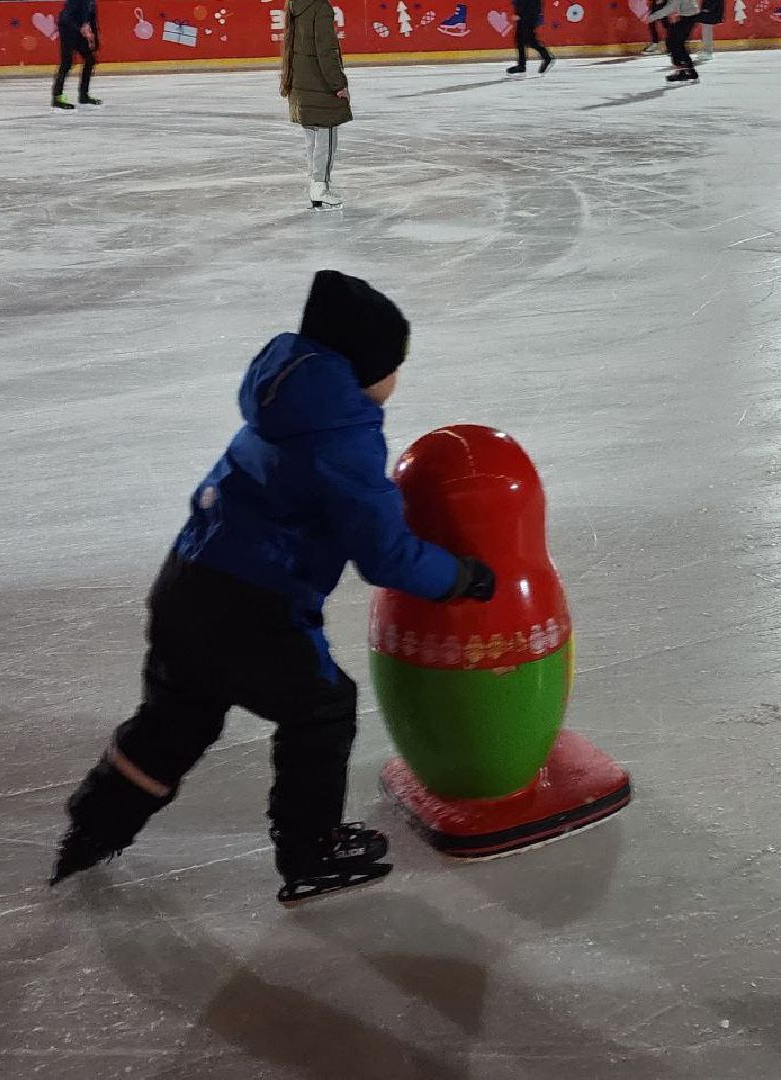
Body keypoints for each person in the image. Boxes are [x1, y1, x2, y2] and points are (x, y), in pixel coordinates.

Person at [49, 270, 497, 906]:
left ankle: (94, 826)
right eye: (394, 365)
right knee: (322, 708)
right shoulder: (342, 437)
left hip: (187, 584)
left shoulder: (284, 403)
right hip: (252, 609)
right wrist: (461, 578)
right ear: (367, 367)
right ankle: (310, 851)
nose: (397, 377)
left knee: (176, 720)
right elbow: (385, 554)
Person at [281, 0, 350, 211]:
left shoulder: (294, 4)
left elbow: (290, 48)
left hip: (302, 84)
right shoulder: (320, 7)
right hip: (321, 85)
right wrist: (338, 84)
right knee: (326, 137)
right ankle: (320, 186)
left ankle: (315, 185)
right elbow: (326, 50)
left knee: (312, 138)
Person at [52, 0, 101, 109]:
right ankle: (57, 98)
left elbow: (92, 19)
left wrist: (95, 40)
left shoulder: (91, 2)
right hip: (68, 30)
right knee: (67, 63)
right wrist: (79, 29)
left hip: (79, 30)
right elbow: (66, 18)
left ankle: (83, 95)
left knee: (90, 59)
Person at [648, 0, 700, 83]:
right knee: (675, 43)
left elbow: (669, 9)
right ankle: (687, 71)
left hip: (688, 18)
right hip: (688, 17)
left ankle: (684, 72)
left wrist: (650, 18)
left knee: (674, 44)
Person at [507, 0, 553, 77]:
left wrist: (520, 14)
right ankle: (522, 65)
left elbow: (530, 3)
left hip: (528, 14)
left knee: (528, 40)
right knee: (521, 39)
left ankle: (546, 57)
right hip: (527, 14)